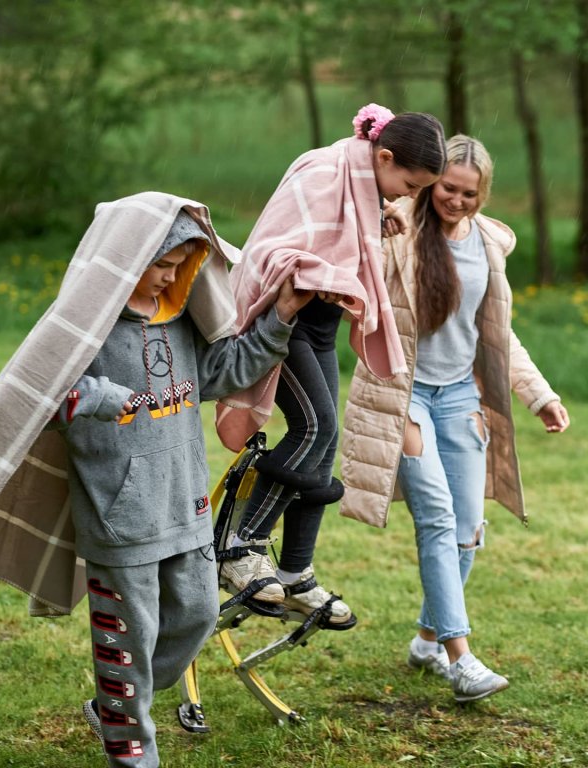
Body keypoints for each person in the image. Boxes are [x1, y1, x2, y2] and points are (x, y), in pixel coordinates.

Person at [0, 193, 313, 768]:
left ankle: (114, 708)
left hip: (184, 506)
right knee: (126, 649)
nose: (170, 276)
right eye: (161, 264)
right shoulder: (84, 329)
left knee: (199, 614)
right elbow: (45, 391)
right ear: (129, 258)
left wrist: (280, 317)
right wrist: (103, 397)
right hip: (119, 515)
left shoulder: (179, 322)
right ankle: (132, 747)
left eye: (180, 267)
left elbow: (223, 371)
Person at [339, 135, 570, 702]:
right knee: (438, 519)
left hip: (461, 398)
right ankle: (461, 658)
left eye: (469, 193)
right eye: (447, 188)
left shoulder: (488, 244)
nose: (457, 201)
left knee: (468, 534)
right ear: (432, 181)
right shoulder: (396, 228)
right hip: (405, 394)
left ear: (483, 194)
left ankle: (426, 638)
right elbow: (352, 230)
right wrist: (378, 227)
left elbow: (496, 333)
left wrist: (539, 395)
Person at [216, 104, 447, 627]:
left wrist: (374, 217)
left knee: (324, 445)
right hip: (283, 323)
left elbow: (334, 239)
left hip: (317, 329)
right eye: (408, 184)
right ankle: (238, 545)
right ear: (383, 156)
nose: (408, 196)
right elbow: (275, 250)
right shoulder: (324, 170)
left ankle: (295, 573)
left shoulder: (364, 181)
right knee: (313, 427)